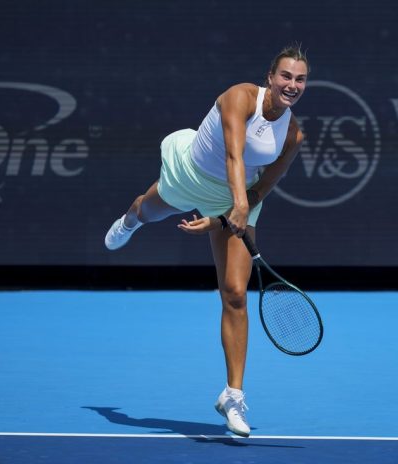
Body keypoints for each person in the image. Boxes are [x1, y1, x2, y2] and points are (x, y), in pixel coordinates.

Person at [103, 45, 309, 437]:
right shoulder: (239, 97)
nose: (292, 85)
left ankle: (233, 395)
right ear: (270, 77)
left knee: (235, 293)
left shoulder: (293, 134)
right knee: (148, 210)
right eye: (286, 76)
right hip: (192, 174)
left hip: (237, 199)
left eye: (300, 79)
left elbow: (262, 187)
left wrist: (224, 218)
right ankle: (129, 220)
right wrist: (238, 206)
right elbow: (234, 156)